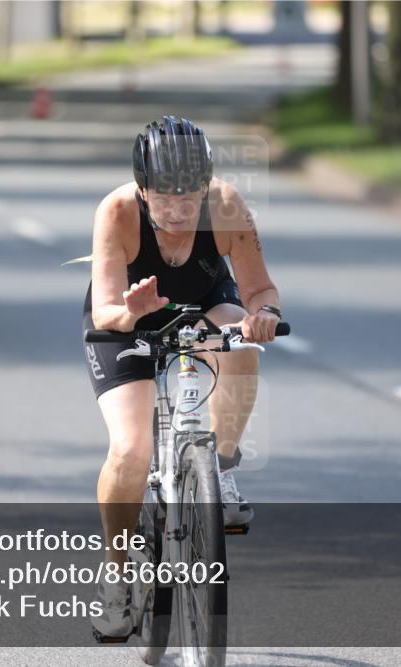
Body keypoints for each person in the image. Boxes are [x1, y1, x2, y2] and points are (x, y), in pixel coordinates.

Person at [83, 116, 282, 639]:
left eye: (189, 197)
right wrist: (130, 312)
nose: (177, 210)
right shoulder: (117, 211)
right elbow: (105, 309)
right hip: (128, 318)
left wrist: (260, 315)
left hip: (205, 298)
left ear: (206, 186)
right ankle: (117, 578)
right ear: (143, 189)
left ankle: (220, 467)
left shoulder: (228, 206)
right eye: (164, 197)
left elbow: (261, 290)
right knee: (131, 451)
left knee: (242, 345)